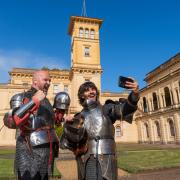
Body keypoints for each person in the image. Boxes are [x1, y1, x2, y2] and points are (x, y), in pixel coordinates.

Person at [61, 79, 139, 180]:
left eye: (93, 89)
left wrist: (135, 94)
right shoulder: (78, 116)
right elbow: (67, 144)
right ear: (81, 95)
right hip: (85, 160)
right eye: (87, 90)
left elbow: (125, 109)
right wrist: (68, 125)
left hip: (106, 157)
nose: (91, 91)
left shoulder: (107, 108)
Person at [3, 70, 69, 180]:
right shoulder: (22, 97)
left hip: (46, 152)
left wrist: (62, 117)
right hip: (28, 151)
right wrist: (34, 101)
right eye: (45, 80)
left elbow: (50, 123)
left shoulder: (46, 102)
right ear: (34, 81)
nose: (48, 83)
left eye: (50, 80)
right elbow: (11, 121)